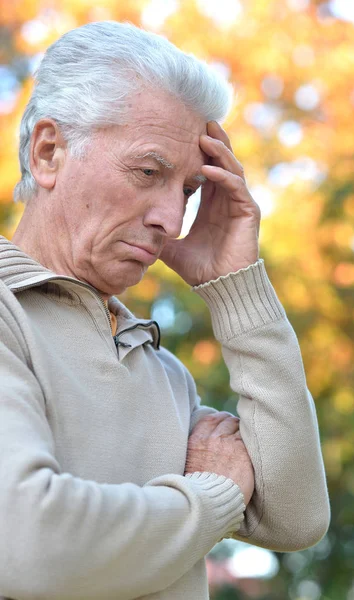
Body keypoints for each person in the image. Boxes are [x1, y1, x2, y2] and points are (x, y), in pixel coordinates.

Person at [0, 20, 330, 600]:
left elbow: (296, 516)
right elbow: (27, 542)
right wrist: (211, 495)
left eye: (186, 190)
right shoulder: (10, 319)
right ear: (49, 152)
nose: (171, 221)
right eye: (148, 172)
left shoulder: (162, 372)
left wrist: (236, 287)